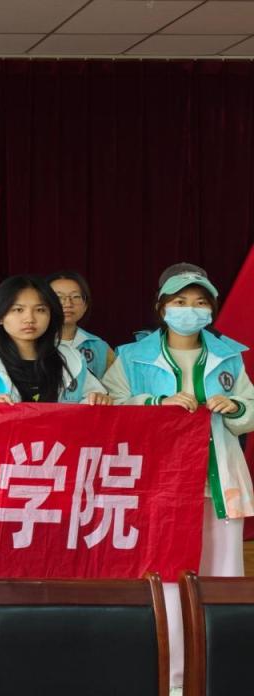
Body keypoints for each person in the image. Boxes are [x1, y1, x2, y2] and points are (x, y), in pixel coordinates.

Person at [102, 263, 254, 696]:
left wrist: (236, 408)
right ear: (161, 307)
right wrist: (156, 402)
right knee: (166, 578)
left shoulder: (228, 355)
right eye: (180, 301)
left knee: (221, 577)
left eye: (200, 302)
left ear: (212, 309)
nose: (190, 310)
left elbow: (249, 408)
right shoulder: (133, 356)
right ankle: (169, 676)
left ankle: (215, 672)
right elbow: (111, 407)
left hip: (217, 482)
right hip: (161, 484)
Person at [0, 275, 110, 405]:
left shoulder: (73, 361)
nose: (29, 319)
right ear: (0, 316)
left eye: (40, 310)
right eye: (18, 310)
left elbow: (95, 403)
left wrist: (99, 399)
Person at [47, 271, 116, 378]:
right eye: (58, 297)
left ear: (85, 305)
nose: (68, 303)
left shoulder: (100, 348)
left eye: (75, 297)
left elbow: (115, 386)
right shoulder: (30, 344)